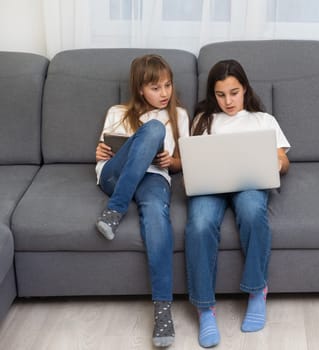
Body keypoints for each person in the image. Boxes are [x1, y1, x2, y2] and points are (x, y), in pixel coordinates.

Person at [184, 59, 290, 348]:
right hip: (210, 185)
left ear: (245, 88)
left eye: (234, 92)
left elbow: (284, 161)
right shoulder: (203, 119)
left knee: (253, 212)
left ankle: (257, 292)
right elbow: (192, 158)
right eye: (220, 95)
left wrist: (275, 162)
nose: (228, 101)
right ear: (212, 94)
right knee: (200, 224)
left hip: (249, 181)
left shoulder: (262, 120)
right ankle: (205, 308)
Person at [95, 54, 189, 348]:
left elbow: (186, 160)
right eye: (155, 88)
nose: (164, 94)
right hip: (116, 177)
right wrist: (99, 154)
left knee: (157, 216)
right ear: (139, 89)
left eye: (168, 86)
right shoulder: (117, 112)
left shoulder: (180, 116)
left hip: (154, 178)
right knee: (153, 130)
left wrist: (172, 161)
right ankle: (116, 208)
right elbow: (106, 151)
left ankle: (163, 311)